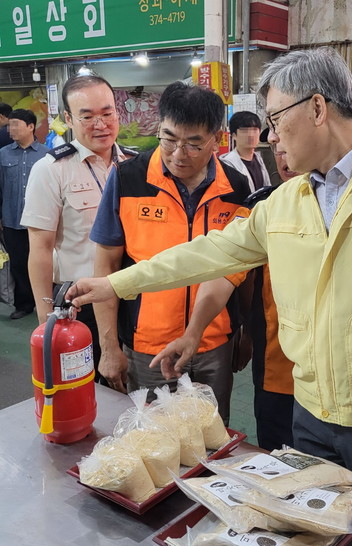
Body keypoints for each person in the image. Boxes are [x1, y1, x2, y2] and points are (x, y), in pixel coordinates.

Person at [66, 47, 352, 510]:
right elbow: (211, 252)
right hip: (309, 413)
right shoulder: (287, 200)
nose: (268, 135)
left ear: (316, 107)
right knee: (318, 530)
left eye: (274, 118)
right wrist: (117, 284)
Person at [89, 81, 250, 422]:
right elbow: (106, 265)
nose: (178, 154)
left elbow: (237, 268)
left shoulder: (236, 187)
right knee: (150, 439)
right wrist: (109, 347)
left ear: (217, 139)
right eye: (169, 139)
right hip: (147, 347)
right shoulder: (128, 178)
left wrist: (243, 333)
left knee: (211, 437)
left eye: (193, 143)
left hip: (213, 345)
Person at [151, 150, 299, 450]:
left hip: (348, 383)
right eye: (279, 147)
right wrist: (201, 332)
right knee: (280, 458)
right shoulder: (261, 207)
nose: (285, 158)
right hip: (279, 371)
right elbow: (227, 272)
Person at [21, 75, 130, 368]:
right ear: (68, 119)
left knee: (132, 382)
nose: (101, 124)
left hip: (130, 294)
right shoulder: (51, 170)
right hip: (79, 303)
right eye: (88, 116)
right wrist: (47, 318)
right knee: (86, 385)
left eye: (107, 113)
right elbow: (40, 249)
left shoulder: (133, 164)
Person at [0, 109, 49, 319]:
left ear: (30, 126)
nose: (11, 129)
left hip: (41, 220)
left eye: (16, 124)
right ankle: (24, 303)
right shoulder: (3, 154)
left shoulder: (46, 154)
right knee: (19, 263)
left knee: (45, 262)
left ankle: (46, 301)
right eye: (9, 125)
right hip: (12, 218)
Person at [220, 111, 270, 191]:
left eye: (254, 130)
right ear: (234, 135)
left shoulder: (258, 159)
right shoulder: (227, 164)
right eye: (244, 131)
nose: (250, 135)